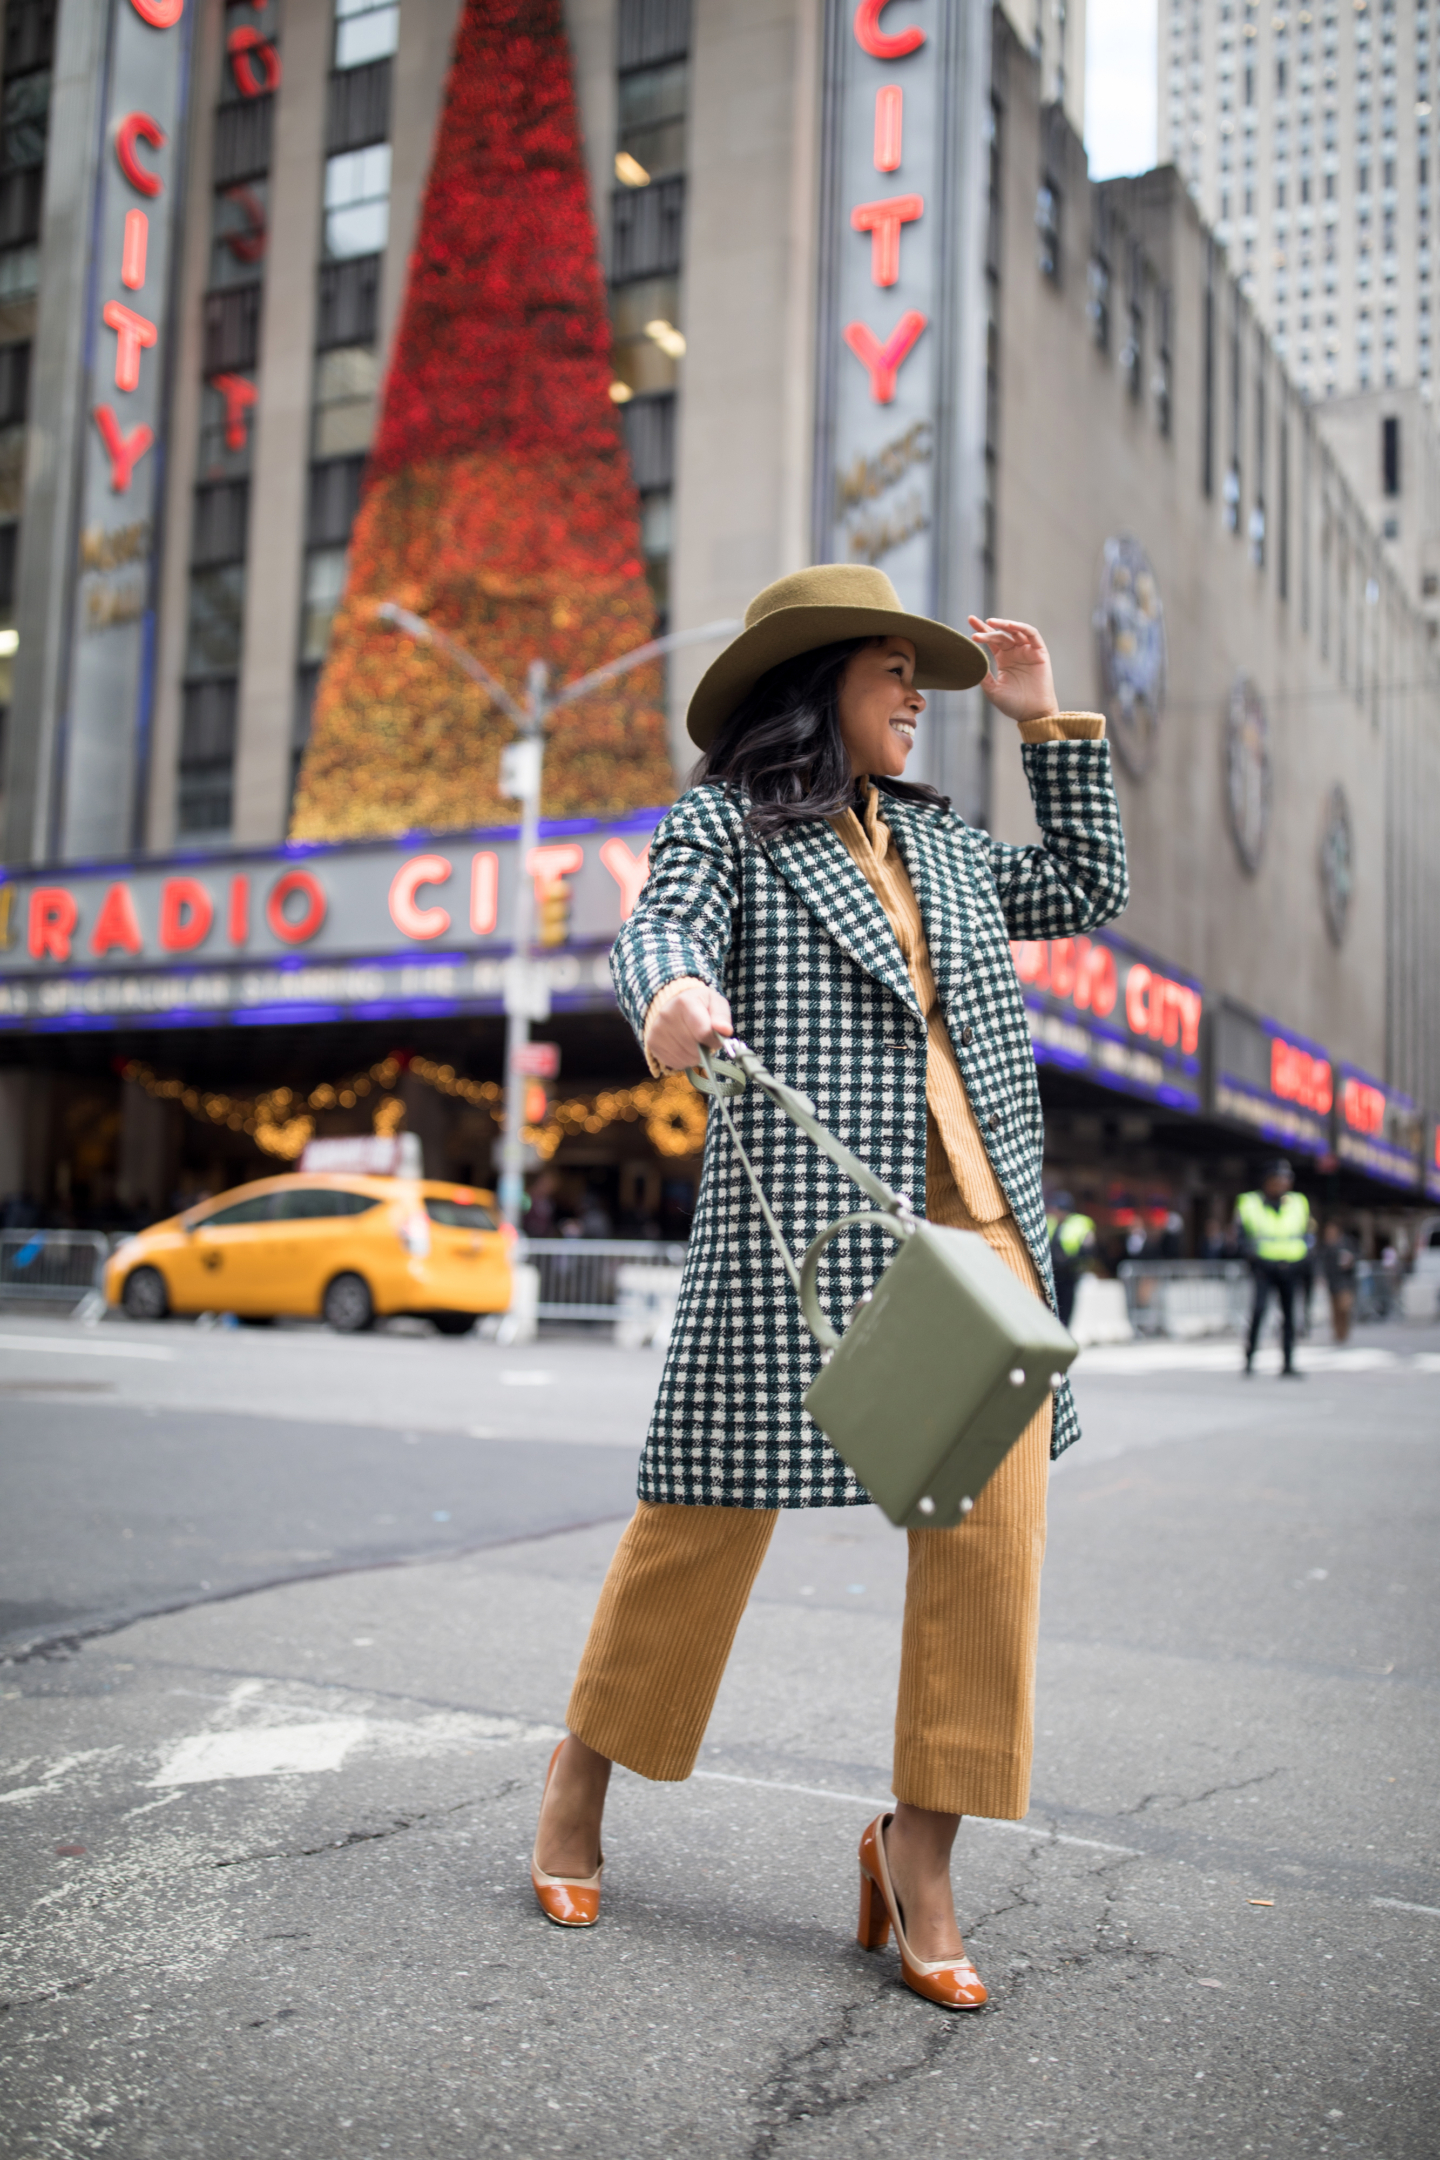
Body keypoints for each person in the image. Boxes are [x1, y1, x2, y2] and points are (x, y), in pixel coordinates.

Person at [529, 564, 1128, 2011]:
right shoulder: (725, 826)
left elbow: (1088, 888)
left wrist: (1052, 726)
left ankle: (918, 1855)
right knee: (704, 1523)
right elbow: (659, 930)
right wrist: (672, 1000)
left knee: (991, 1554)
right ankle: (578, 1784)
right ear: (817, 690)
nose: (919, 696)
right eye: (890, 672)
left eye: (923, 677)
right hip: (805, 1226)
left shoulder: (949, 843)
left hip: (979, 1231)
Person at [1236, 1159, 1311, 1376]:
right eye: (1277, 1179)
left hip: (1291, 1267)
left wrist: (1303, 1261)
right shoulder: (1249, 1202)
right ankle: (1250, 1360)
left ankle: (1288, 1363)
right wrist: (1252, 1259)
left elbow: (1306, 1234)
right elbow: (1241, 1237)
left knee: (1289, 1316)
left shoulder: (1298, 1202)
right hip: (1263, 1267)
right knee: (1259, 1311)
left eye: (1286, 1179)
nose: (1282, 1184)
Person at [1046, 1190, 1097, 1328]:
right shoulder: (1050, 1223)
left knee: (1066, 1309)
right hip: (1052, 1274)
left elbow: (1087, 1249)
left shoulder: (1079, 1223)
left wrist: (1074, 1263)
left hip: (1069, 1274)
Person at [1319, 1220, 1358, 1343]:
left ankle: (1343, 1332)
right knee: (1335, 1309)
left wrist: (1350, 1262)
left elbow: (1355, 1257)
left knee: (1344, 1308)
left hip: (1345, 1282)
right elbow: (1322, 1263)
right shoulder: (1327, 1246)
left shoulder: (1346, 1243)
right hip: (1333, 1282)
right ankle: (1338, 1333)